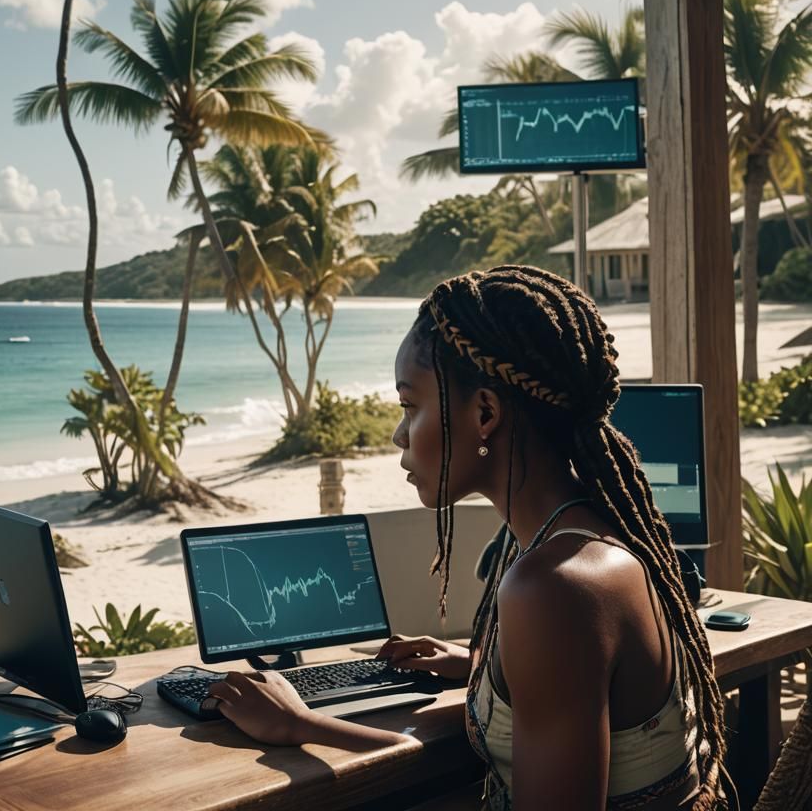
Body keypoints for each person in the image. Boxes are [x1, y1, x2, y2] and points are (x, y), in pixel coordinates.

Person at [205, 266, 730, 810]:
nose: (399, 434)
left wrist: (300, 724)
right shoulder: (582, 532)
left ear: (485, 413)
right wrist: (484, 668)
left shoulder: (555, 588)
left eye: (411, 406)